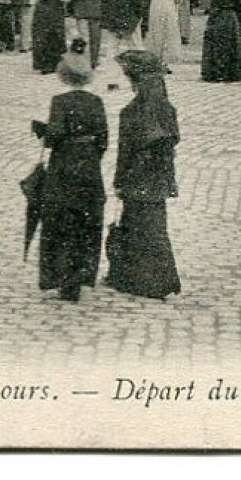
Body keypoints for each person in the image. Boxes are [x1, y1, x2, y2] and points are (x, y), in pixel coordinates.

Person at [33, 44, 108, 302]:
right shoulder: (97, 102)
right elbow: (103, 141)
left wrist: (43, 133)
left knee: (58, 222)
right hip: (89, 168)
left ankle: (57, 278)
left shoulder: (59, 102)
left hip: (63, 168)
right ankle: (84, 279)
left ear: (63, 75)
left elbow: (53, 137)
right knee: (88, 223)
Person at [105, 50, 182, 300]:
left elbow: (125, 152)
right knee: (153, 227)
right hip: (158, 178)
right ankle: (157, 280)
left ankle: (137, 279)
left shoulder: (132, 112)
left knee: (137, 227)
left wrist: (119, 180)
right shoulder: (166, 108)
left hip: (136, 177)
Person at [29, 0, 71, 74]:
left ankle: (42, 63)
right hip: (55, 7)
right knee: (55, 33)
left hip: (42, 6)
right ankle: (54, 61)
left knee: (41, 34)